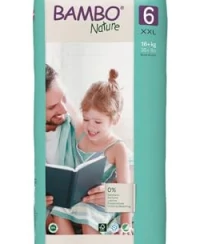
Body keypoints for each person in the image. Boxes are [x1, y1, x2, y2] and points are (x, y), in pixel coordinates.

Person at [50, 69, 134, 235]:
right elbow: (66, 102)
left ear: (115, 120)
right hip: (80, 200)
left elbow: (126, 192)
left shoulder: (117, 148)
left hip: (101, 207)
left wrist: (126, 226)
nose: (90, 126)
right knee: (58, 211)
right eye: (86, 119)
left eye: (98, 122)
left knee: (88, 214)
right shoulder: (82, 131)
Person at [45, 64, 106, 226]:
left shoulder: (80, 126)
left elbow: (136, 190)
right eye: (52, 107)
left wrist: (113, 195)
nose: (64, 109)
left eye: (64, 98)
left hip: (88, 216)